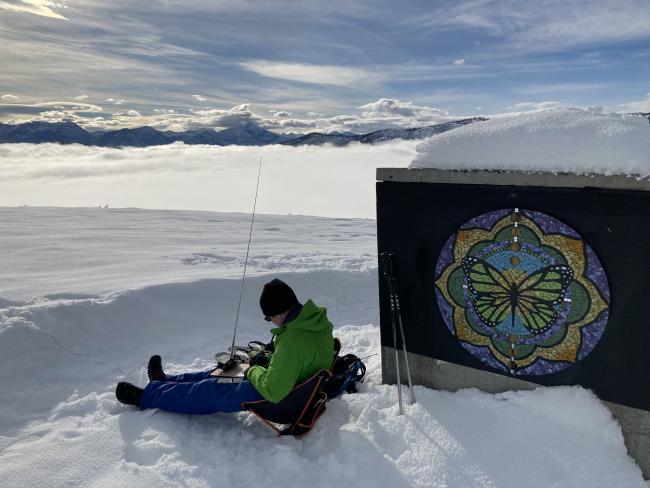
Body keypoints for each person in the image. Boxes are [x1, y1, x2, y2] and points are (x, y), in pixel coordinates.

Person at [115, 278, 335, 414]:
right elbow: (301, 358)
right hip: (295, 384)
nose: (270, 322)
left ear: (279, 311)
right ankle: (165, 382)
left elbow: (274, 391)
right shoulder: (315, 324)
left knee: (214, 389)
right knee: (228, 370)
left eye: (268, 318)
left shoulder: (293, 340)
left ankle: (146, 397)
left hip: (284, 398)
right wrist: (266, 361)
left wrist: (254, 369)